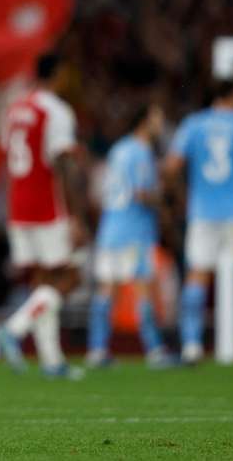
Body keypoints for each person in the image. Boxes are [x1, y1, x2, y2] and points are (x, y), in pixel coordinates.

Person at [0, 53, 88, 379]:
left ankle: (52, 361)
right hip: (47, 207)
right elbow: (63, 163)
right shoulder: (55, 110)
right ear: (58, 74)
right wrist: (76, 215)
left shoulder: (17, 108)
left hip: (19, 206)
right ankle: (13, 329)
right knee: (70, 277)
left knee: (43, 282)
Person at [165, 79, 233, 365]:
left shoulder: (193, 125)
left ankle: (191, 346)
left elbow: (171, 166)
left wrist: (183, 196)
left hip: (203, 212)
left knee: (198, 275)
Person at [86, 104, 173, 368]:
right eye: (158, 119)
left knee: (107, 291)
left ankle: (97, 349)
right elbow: (142, 193)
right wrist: (164, 198)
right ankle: (155, 350)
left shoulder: (118, 150)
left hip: (110, 228)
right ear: (145, 121)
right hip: (134, 230)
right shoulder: (141, 152)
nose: (161, 125)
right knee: (143, 289)